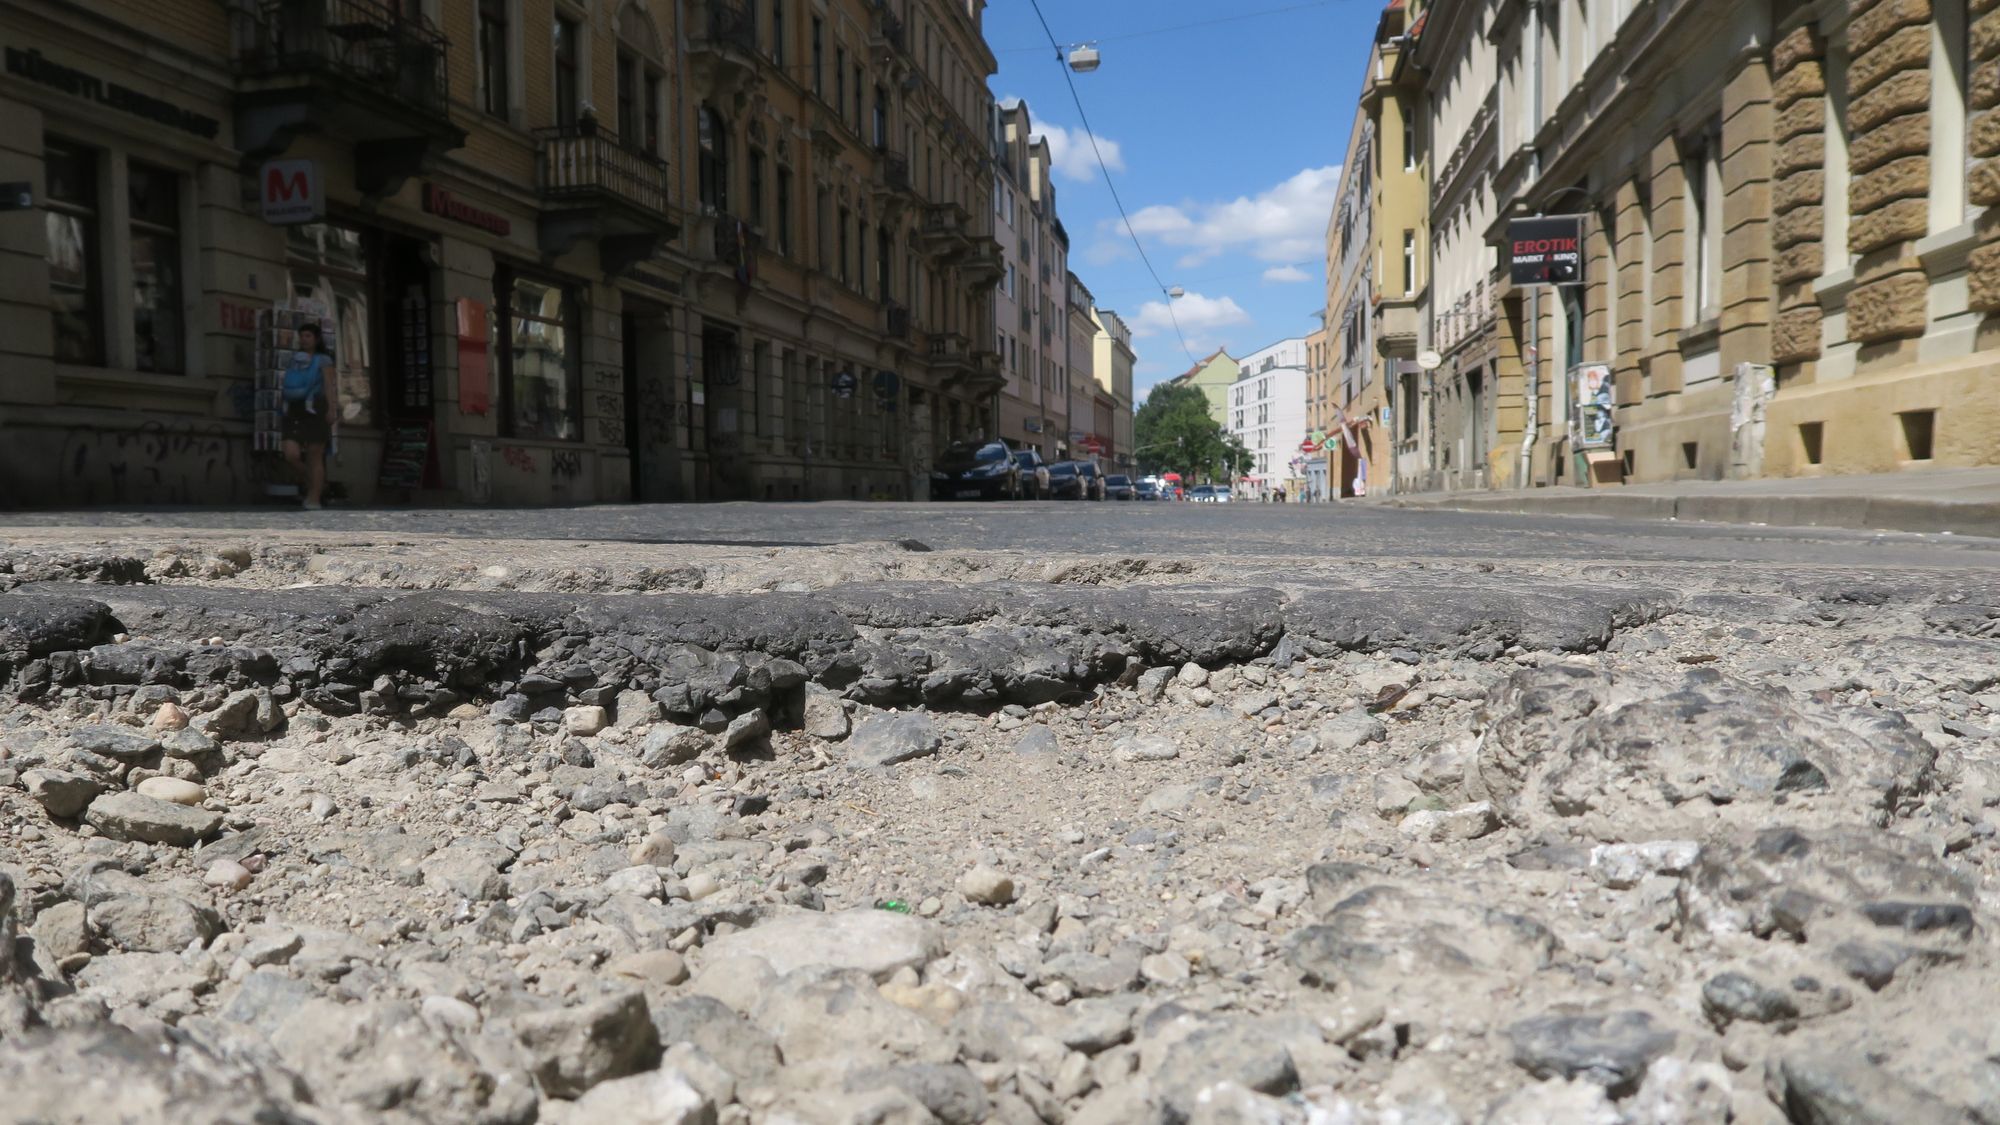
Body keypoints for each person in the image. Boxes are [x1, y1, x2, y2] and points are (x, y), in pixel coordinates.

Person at [282, 322, 338, 510]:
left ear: (316, 339)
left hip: (316, 406)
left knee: (315, 455)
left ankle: (314, 498)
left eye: (308, 336)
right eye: (302, 336)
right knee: (290, 453)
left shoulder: (324, 360)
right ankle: (316, 482)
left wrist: (332, 409)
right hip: (295, 407)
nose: (304, 339)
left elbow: (329, 386)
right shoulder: (294, 358)